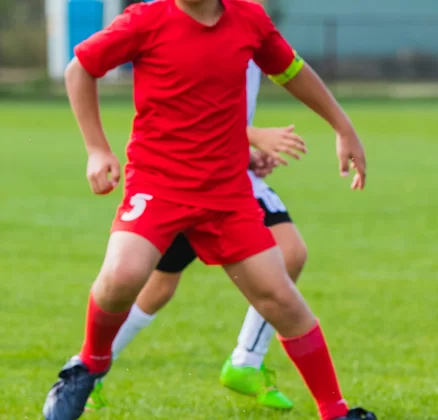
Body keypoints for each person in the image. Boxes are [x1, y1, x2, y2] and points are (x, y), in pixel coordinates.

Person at [44, 1, 373, 419]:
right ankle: (88, 366)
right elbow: (80, 69)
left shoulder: (248, 18)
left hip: (226, 196)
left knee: (282, 300)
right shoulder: (146, 19)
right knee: (124, 275)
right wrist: (96, 150)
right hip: (158, 185)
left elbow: (291, 71)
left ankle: (336, 412)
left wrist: (343, 127)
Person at [85, 58, 311, 413]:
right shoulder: (199, 19)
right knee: (158, 287)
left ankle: (246, 361)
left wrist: (246, 152)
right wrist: (253, 136)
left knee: (291, 252)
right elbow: (186, 110)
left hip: (229, 171)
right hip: (188, 177)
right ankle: (88, 368)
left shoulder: (251, 27)